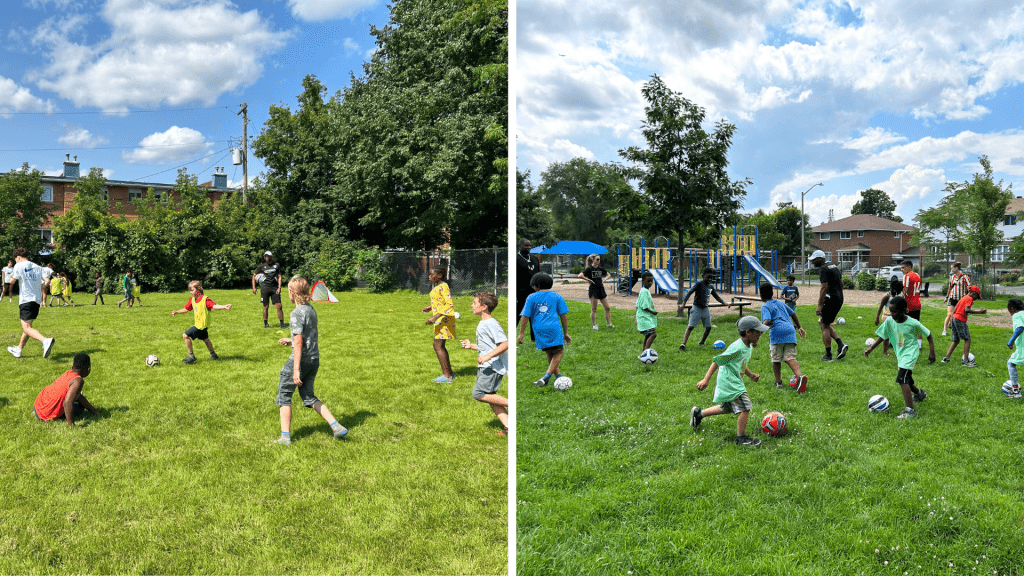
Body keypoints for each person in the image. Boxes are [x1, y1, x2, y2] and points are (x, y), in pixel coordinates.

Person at [271, 276, 348, 445]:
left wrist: (296, 370)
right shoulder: (311, 310)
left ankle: (285, 438)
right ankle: (337, 427)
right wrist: (291, 340)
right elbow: (307, 336)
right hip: (314, 359)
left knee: (284, 395)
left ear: (292, 293)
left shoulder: (296, 313)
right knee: (308, 396)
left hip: (300, 361)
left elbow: (299, 342)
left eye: (288, 291)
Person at [690, 316, 770, 446]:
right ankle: (741, 438)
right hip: (729, 381)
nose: (760, 334)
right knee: (745, 407)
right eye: (758, 331)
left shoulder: (748, 346)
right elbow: (717, 361)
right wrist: (706, 380)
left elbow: (741, 363)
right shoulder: (737, 348)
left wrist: (750, 375)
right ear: (748, 332)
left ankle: (698, 414)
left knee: (727, 408)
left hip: (734, 379)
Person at [865, 296, 935, 419]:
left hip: (910, 353)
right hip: (901, 353)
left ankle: (910, 411)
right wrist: (871, 348)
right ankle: (919, 394)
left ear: (904, 310)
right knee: (907, 379)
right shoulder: (889, 321)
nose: (892, 314)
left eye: (895, 311)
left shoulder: (913, 323)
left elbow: (928, 335)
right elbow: (882, 335)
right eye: (891, 311)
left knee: (902, 379)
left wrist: (932, 352)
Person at [459, 292, 510, 436]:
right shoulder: (484, 323)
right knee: (491, 397)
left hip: (492, 366)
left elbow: (505, 343)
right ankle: (509, 427)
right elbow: (488, 346)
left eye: (474, 303)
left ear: (484, 307)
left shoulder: (491, 324)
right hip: (487, 365)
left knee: (479, 394)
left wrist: (487, 356)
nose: (472, 305)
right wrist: (472, 346)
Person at [518, 272, 570, 387]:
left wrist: (521, 333)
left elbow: (525, 316)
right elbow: (563, 316)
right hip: (553, 328)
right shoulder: (557, 296)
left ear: (536, 285)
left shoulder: (531, 297)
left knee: (549, 352)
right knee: (559, 351)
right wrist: (566, 333)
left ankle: (558, 377)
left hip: (538, 329)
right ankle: (546, 377)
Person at [758, 282, 808, 392]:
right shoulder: (780, 303)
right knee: (790, 357)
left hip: (777, 333)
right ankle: (800, 377)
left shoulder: (765, 306)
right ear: (772, 293)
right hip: (790, 331)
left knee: (776, 359)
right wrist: (799, 327)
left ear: (760, 295)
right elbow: (793, 314)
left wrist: (758, 333)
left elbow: (767, 320)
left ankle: (778, 383)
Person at [7, 247, 55, 359]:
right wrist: (41, 287)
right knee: (28, 327)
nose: (15, 261)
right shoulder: (38, 267)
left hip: (25, 300)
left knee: (27, 328)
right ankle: (18, 349)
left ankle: (45, 341)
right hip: (36, 301)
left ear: (18, 257)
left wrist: (9, 275)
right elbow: (47, 281)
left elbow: (12, 281)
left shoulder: (19, 265)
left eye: (15, 259)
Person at [171, 280, 232, 364]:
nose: (190, 292)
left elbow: (214, 306)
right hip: (201, 325)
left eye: (192, 290)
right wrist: (177, 312)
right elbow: (186, 309)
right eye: (190, 290)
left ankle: (191, 356)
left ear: (198, 289)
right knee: (205, 339)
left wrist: (224, 306)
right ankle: (213, 355)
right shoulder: (192, 299)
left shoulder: (205, 299)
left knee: (185, 335)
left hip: (201, 326)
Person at [33, 353, 98, 426]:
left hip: (38, 405)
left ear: (72, 366)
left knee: (77, 398)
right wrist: (72, 425)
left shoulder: (68, 373)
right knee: (80, 408)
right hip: (45, 414)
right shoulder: (78, 381)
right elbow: (67, 402)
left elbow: (78, 396)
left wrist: (93, 410)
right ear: (89, 369)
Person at [809, 250, 848, 361]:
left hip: (830, 299)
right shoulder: (834, 266)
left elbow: (824, 288)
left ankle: (828, 355)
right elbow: (841, 283)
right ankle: (840, 345)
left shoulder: (823, 269)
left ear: (820, 259)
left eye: (814, 260)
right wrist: (837, 294)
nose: (812, 262)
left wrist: (819, 305)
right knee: (826, 323)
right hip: (839, 298)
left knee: (824, 326)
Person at [423, 265, 456, 383]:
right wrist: (430, 307)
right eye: (429, 274)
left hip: (444, 320)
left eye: (432, 274)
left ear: (440, 275)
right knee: (439, 345)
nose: (429, 277)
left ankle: (447, 376)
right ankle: (449, 373)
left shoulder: (443, 286)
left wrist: (435, 316)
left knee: (438, 346)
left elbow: (449, 304)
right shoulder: (438, 286)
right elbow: (440, 302)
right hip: (441, 319)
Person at [679, 268, 726, 350]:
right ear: (703, 276)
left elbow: (716, 296)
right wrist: (683, 303)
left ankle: (701, 342)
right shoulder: (699, 284)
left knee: (708, 327)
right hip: (696, 308)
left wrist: (724, 302)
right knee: (691, 326)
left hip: (705, 309)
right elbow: (689, 292)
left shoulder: (710, 286)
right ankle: (683, 344)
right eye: (708, 277)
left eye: (711, 277)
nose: (709, 279)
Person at [943, 285, 986, 366]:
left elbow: (955, 309)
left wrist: (950, 322)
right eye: (976, 296)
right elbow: (967, 310)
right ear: (973, 293)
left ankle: (946, 358)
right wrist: (980, 312)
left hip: (954, 318)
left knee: (956, 340)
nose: (976, 299)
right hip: (960, 319)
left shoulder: (963, 298)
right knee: (967, 339)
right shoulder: (969, 298)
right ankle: (965, 361)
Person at [579, 253, 613, 330]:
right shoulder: (589, 269)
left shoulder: (600, 269)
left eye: (599, 259)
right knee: (594, 308)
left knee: (607, 307)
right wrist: (589, 280)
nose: (599, 261)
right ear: (593, 260)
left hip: (601, 289)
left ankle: (609, 324)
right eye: (597, 259)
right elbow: (580, 275)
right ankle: (594, 325)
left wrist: (605, 279)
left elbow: (608, 274)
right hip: (593, 289)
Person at [253, 250, 284, 329]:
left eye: (268, 256)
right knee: (265, 306)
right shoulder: (261, 266)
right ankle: (266, 324)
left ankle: (282, 324)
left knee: (279, 306)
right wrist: (254, 287)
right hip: (265, 288)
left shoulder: (276, 265)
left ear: (271, 256)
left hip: (274, 288)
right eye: (265, 256)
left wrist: (279, 287)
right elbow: (254, 276)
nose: (266, 257)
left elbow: (279, 276)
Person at [874, 277, 904, 356]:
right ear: (895, 289)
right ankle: (885, 351)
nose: (900, 291)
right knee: (886, 336)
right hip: (886, 318)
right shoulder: (887, 296)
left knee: (900, 333)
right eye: (899, 290)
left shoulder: (900, 296)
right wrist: (877, 318)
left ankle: (900, 350)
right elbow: (880, 307)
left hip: (896, 318)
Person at [516, 239, 541, 337]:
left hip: (534, 293)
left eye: (529, 245)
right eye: (526, 245)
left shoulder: (535, 259)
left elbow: (538, 275)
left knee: (534, 316)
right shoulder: (516, 258)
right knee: (516, 315)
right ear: (520, 246)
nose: (528, 247)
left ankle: (535, 338)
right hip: (520, 293)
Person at [944, 263, 970, 337]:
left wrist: (968, 298)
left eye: (952, 268)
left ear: (956, 268)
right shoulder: (952, 277)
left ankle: (958, 329)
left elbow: (969, 287)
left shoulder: (965, 277)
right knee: (949, 314)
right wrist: (947, 297)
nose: (951, 270)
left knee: (960, 315)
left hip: (961, 300)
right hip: (952, 298)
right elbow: (950, 288)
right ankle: (944, 330)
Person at [900, 260, 922, 348]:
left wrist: (900, 297)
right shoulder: (917, 275)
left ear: (909, 267)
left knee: (902, 325)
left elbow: (905, 291)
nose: (902, 270)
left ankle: (901, 344)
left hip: (908, 305)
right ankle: (919, 345)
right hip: (917, 303)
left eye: (903, 267)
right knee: (916, 326)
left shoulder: (906, 276)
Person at [636, 271, 658, 353]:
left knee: (648, 335)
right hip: (644, 318)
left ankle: (643, 352)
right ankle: (646, 353)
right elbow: (644, 307)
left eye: (651, 281)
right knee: (653, 334)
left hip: (643, 317)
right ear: (642, 281)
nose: (650, 283)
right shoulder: (644, 292)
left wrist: (636, 316)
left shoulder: (643, 290)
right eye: (648, 281)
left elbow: (637, 305)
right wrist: (653, 312)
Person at [1006, 298, 1024, 399]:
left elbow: (1020, 328)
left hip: (1023, 347)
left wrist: (1011, 341)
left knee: (1011, 363)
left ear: (1012, 309)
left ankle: (1016, 392)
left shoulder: (1017, 315)